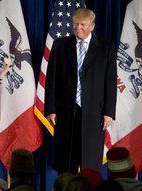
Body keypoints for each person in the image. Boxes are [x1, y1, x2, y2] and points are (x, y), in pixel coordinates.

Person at [44, 8, 117, 173]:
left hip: (94, 114)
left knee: (90, 165)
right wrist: (50, 109)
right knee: (65, 164)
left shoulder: (106, 48)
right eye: (75, 24)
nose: (78, 28)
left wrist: (109, 112)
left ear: (92, 25)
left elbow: (110, 83)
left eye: (83, 25)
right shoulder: (60, 45)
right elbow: (51, 79)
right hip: (65, 112)